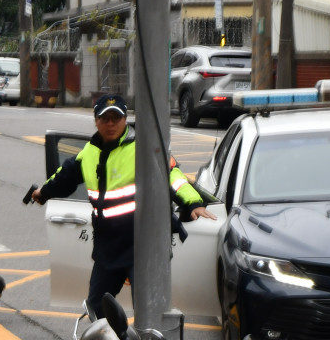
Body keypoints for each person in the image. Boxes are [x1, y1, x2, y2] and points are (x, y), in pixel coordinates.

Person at [29, 93, 215, 318]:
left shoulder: (144, 148)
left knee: (148, 310)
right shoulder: (89, 153)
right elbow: (64, 178)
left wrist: (193, 201)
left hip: (143, 245)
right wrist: (43, 193)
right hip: (108, 246)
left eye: (115, 118)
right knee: (96, 307)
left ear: (125, 119)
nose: (110, 124)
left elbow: (172, 175)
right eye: (104, 118)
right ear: (95, 120)